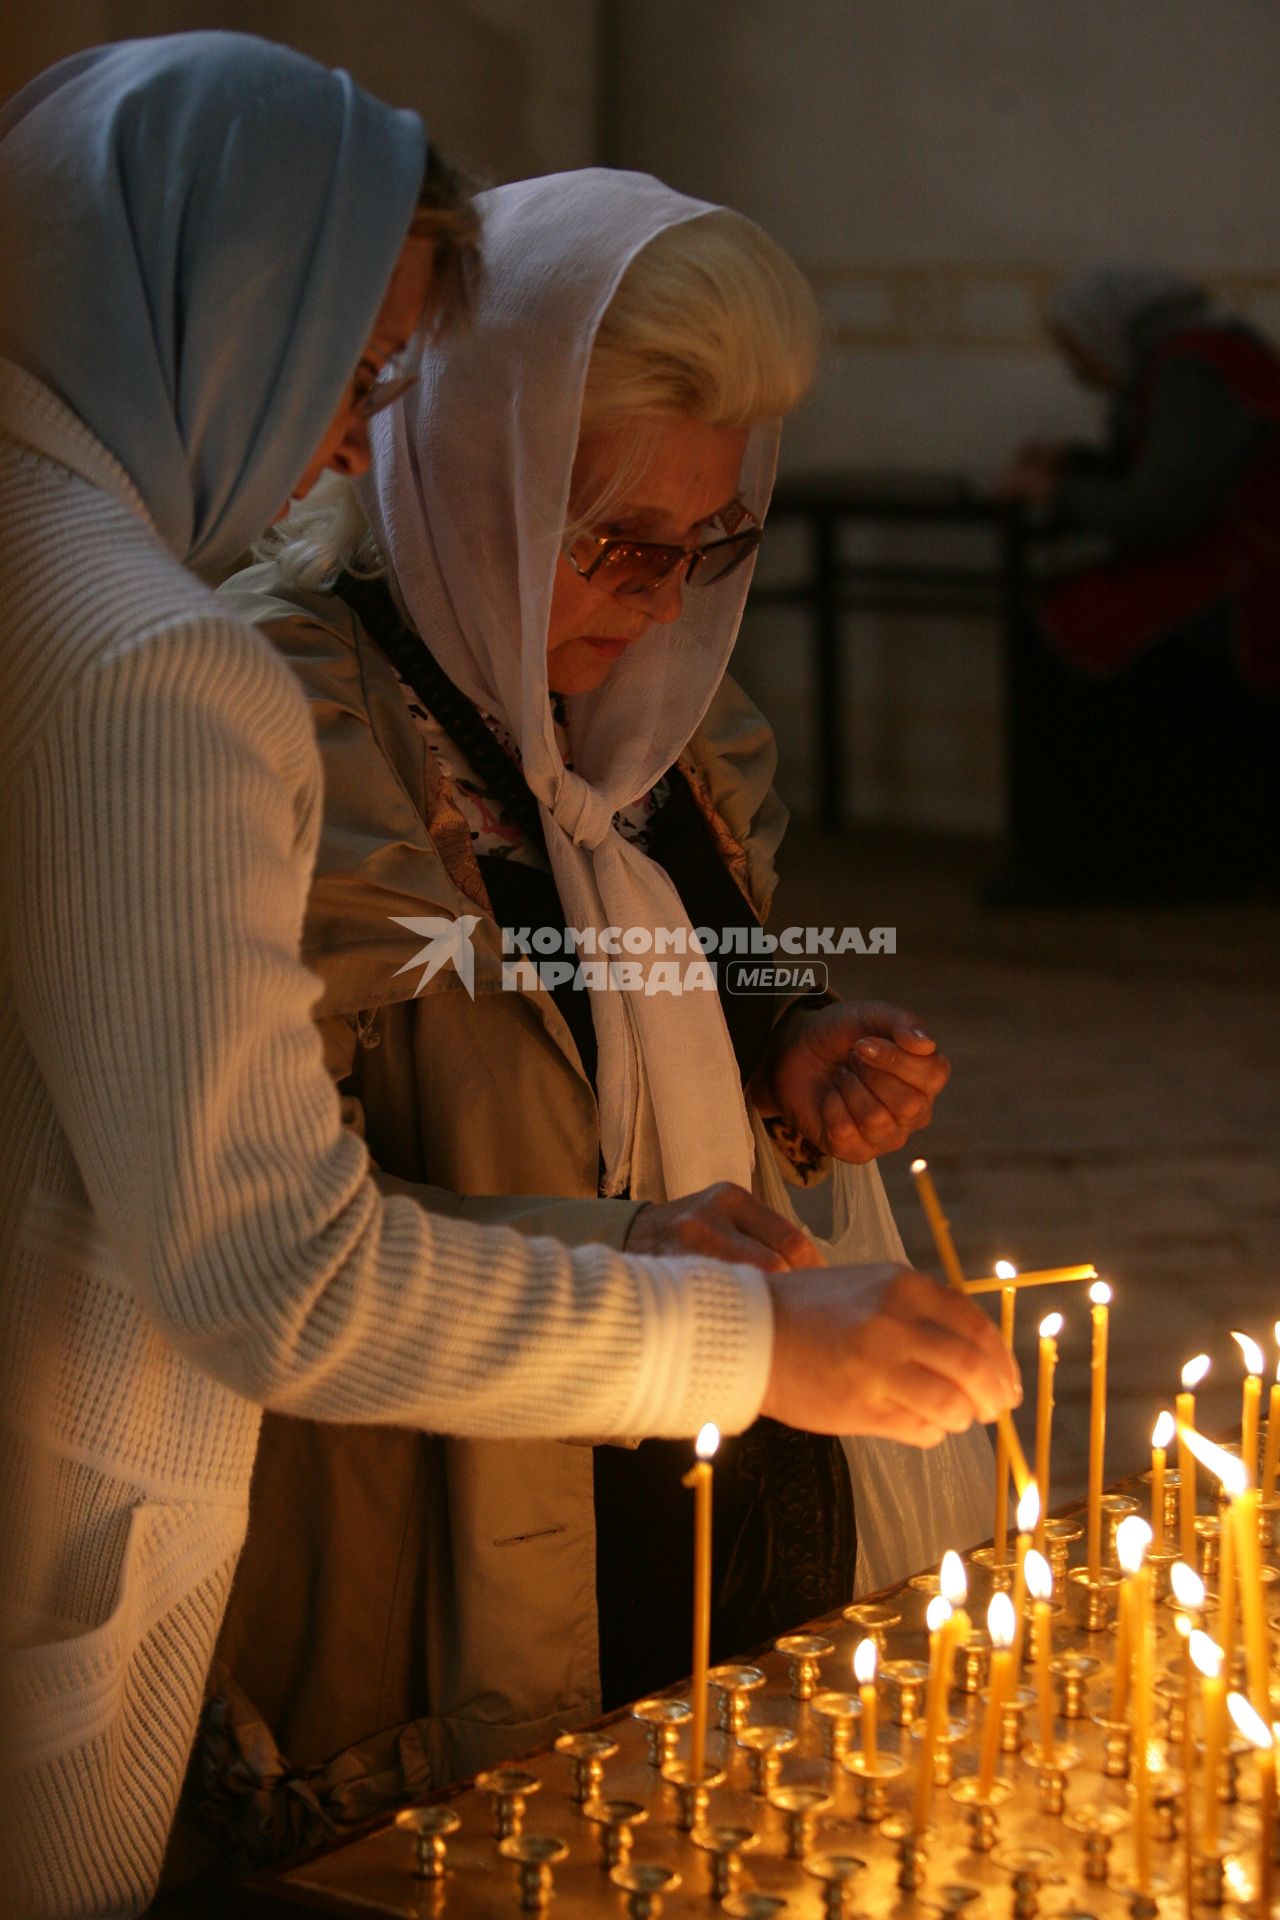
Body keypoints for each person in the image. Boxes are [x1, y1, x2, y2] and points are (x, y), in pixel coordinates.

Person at [0, 42, 1018, 1920]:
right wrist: (715, 1315)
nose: (658, 595)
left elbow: (650, 963)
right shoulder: (229, 689)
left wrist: (791, 1040)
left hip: (669, 1398)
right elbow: (271, 1232)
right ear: (475, 463)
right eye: (616, 537)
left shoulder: (661, 736)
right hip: (435, 1493)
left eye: (711, 545)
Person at [993, 264, 1280, 904]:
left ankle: (1079, 862)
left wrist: (1058, 491)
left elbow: (1164, 511)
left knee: (1055, 629)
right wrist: (1079, 467)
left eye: (1081, 352)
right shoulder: (1212, 351)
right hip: (1241, 562)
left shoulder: (1191, 369)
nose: (1081, 371)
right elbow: (1179, 476)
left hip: (1241, 582)